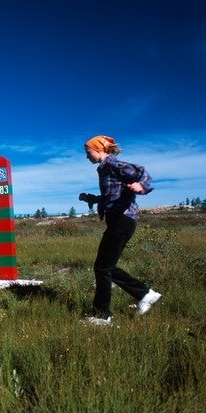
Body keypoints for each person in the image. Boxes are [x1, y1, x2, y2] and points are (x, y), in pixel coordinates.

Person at [78, 135, 162, 326]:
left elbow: (142, 172)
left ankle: (102, 316)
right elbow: (112, 196)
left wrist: (141, 185)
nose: (87, 156)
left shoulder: (113, 164)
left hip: (122, 221)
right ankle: (145, 294)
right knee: (106, 267)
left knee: (102, 267)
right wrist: (92, 199)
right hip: (118, 221)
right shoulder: (104, 169)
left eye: (88, 152)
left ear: (99, 149)